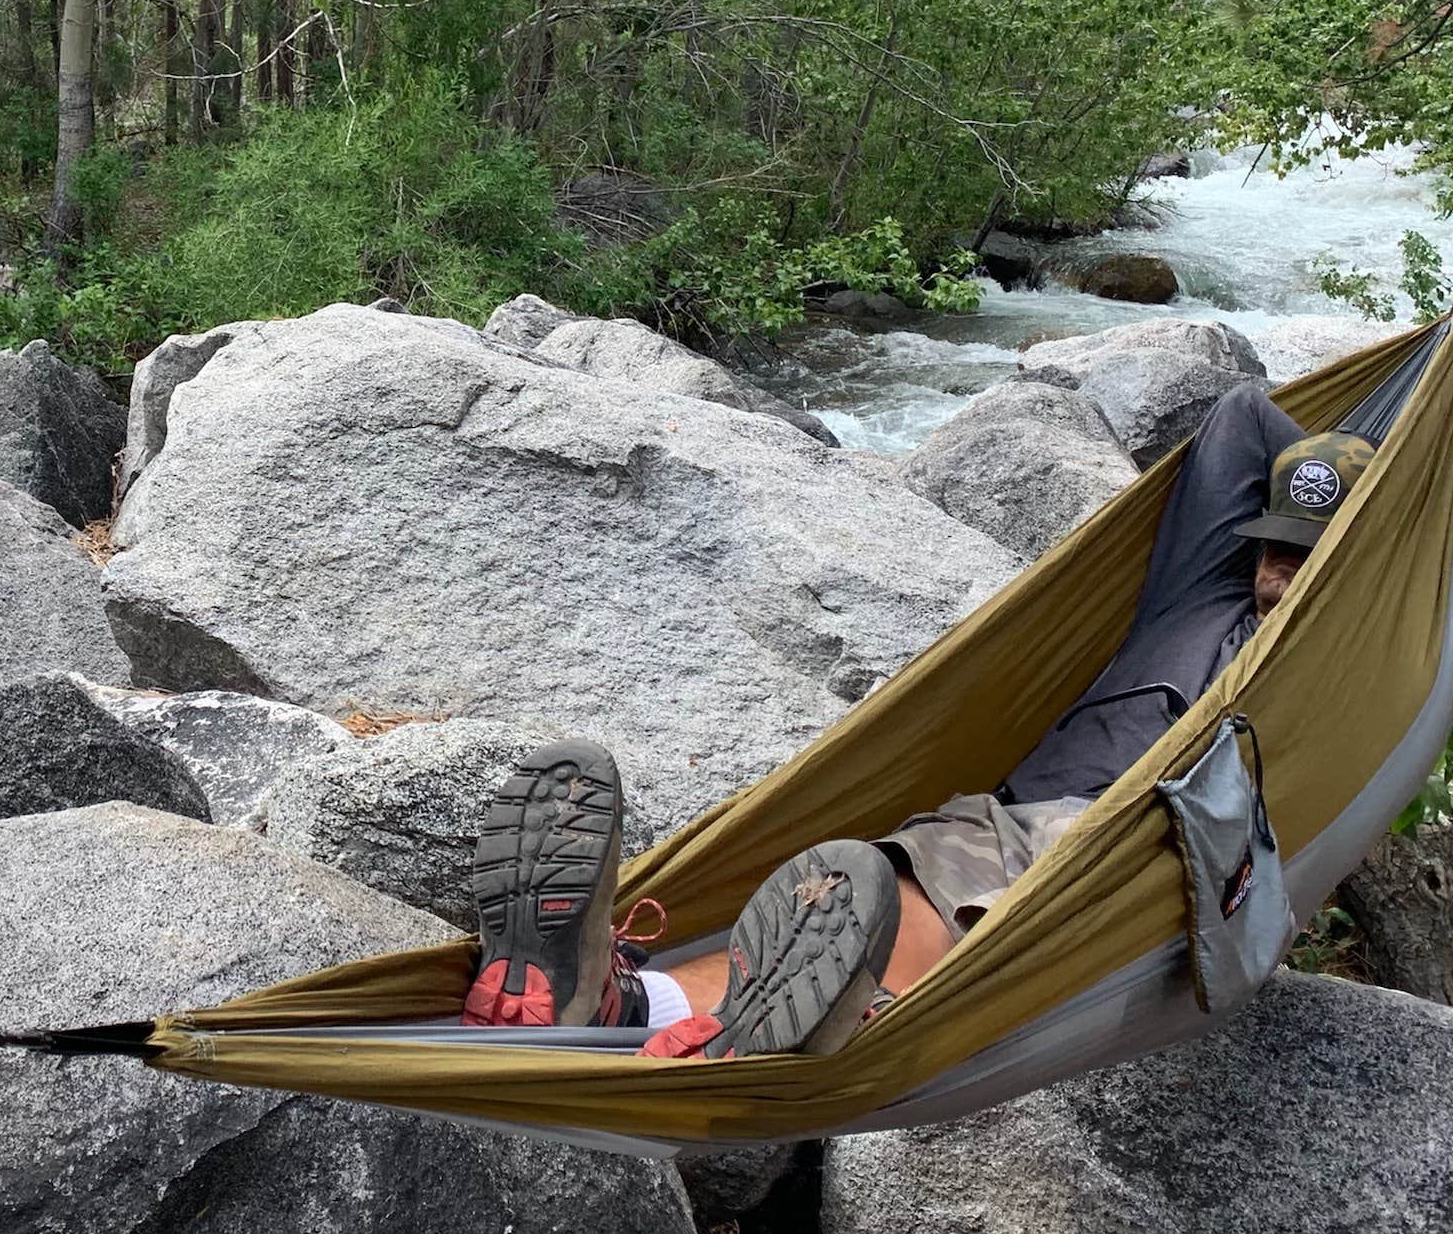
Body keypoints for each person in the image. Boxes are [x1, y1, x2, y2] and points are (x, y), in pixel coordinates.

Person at [461, 380, 1378, 1060]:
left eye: (1314, 557)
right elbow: (1243, 416)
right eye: (1277, 550)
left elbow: (1393, 619)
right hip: (1029, 808)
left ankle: (743, 1046)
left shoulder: (1336, 658)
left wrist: (1377, 510)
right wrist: (1325, 480)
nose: (1283, 574)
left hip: (1146, 849)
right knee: (868, 888)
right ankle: (628, 1007)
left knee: (976, 911)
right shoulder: (1199, 596)